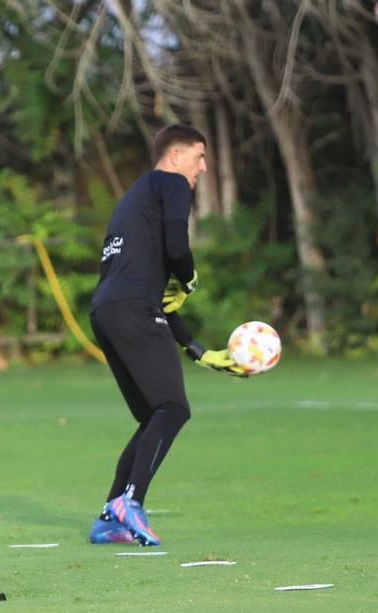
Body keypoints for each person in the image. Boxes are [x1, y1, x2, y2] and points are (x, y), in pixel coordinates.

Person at [86, 123, 244, 547]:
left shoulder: (134, 200)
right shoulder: (173, 184)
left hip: (106, 311)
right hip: (132, 309)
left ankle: (110, 515)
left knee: (154, 414)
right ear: (175, 157)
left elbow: (158, 299)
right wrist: (189, 276)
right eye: (199, 157)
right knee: (172, 408)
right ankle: (130, 502)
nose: (204, 168)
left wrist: (199, 351)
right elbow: (178, 248)